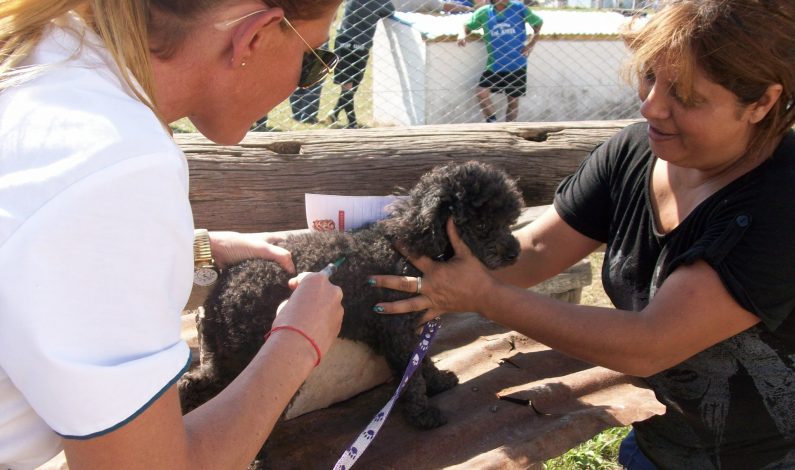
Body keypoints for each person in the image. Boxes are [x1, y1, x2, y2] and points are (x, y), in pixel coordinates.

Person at [371, 0, 795, 468]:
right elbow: (532, 251)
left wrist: (483, 296)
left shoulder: (781, 200)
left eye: (687, 96)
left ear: (762, 102)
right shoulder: (635, 152)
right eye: (650, 75)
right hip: (662, 439)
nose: (650, 105)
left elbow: (651, 344)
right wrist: (415, 264)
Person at [0, 2, 345, 469]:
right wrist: (298, 341)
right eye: (314, 60)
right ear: (256, 35)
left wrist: (194, 250)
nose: (306, 82)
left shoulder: (48, 55)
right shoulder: (119, 163)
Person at [457, 0, 542, 123]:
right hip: (495, 64)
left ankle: (511, 129)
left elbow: (538, 23)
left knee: (513, 100)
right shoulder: (484, 12)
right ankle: (493, 123)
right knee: (481, 92)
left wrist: (531, 44)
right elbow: (468, 25)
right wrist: (462, 34)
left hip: (516, 63)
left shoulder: (519, 9)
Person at [326, 0, 395, 129]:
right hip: (360, 47)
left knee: (348, 86)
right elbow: (390, 12)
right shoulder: (381, 2)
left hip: (343, 43)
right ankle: (352, 122)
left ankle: (335, 112)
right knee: (351, 86)